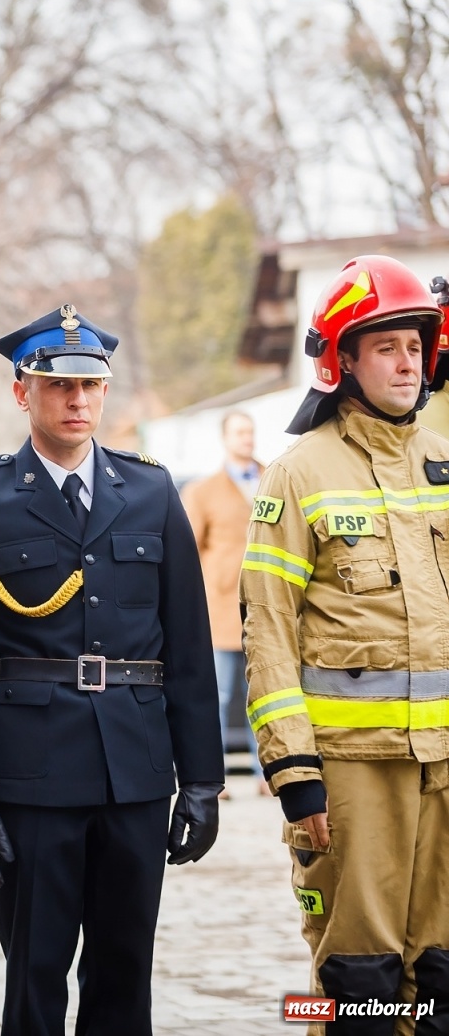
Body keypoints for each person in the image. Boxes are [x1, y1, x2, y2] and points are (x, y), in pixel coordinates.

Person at [0, 304, 222, 1036]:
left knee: (125, 972)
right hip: (31, 771)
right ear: (22, 392)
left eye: (92, 386)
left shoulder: (152, 492)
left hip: (136, 767)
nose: (79, 401)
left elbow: (188, 650)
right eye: (59, 387)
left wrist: (205, 782)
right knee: (33, 970)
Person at [241, 255, 449, 1033]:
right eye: (386, 346)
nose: (406, 362)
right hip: (353, 777)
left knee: (439, 985)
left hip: (446, 770)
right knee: (355, 987)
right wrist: (295, 774)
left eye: (416, 346)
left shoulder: (442, 458)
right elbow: (267, 627)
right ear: (343, 361)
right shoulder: (298, 474)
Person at [180, 409, 270, 797]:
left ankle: (269, 774)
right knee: (216, 698)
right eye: (239, 432)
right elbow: (187, 551)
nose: (246, 438)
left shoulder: (274, 479)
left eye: (250, 431)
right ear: (225, 438)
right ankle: (210, 778)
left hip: (267, 609)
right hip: (218, 612)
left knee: (266, 695)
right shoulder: (204, 491)